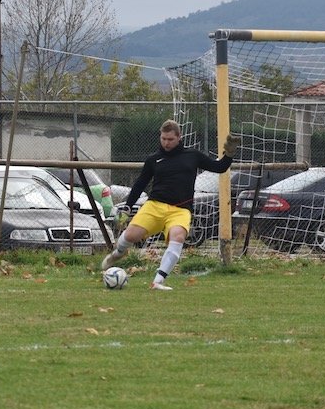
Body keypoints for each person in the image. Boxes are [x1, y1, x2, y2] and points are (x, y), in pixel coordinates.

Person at [102, 119, 237, 290]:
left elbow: (220, 167)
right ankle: (117, 254)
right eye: (163, 139)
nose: (166, 143)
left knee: (178, 237)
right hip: (155, 206)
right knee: (130, 236)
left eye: (170, 139)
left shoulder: (192, 156)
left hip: (180, 210)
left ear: (179, 137)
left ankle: (157, 282)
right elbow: (140, 184)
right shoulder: (153, 159)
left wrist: (229, 154)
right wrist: (127, 207)